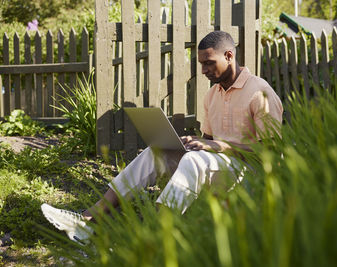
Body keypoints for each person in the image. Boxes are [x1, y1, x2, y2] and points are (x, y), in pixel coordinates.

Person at [41, 31, 283, 244]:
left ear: (229, 56)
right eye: (201, 64)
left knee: (193, 161)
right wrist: (191, 143)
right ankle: (87, 220)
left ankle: (155, 238)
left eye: (209, 63)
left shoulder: (259, 93)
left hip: (250, 175)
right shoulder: (212, 95)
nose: (204, 70)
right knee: (157, 150)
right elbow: (207, 142)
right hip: (217, 167)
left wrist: (216, 145)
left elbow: (270, 155)